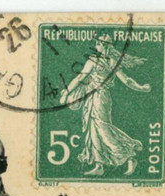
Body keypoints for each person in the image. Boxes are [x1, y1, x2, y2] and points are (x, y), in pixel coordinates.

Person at [60, 34, 151, 177]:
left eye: (98, 44)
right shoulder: (111, 60)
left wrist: (66, 93)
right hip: (95, 96)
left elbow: (80, 77)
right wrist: (141, 87)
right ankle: (99, 165)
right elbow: (126, 80)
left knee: (102, 128)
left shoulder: (96, 60)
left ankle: (128, 156)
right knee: (93, 129)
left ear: (102, 45)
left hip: (99, 97)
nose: (96, 46)